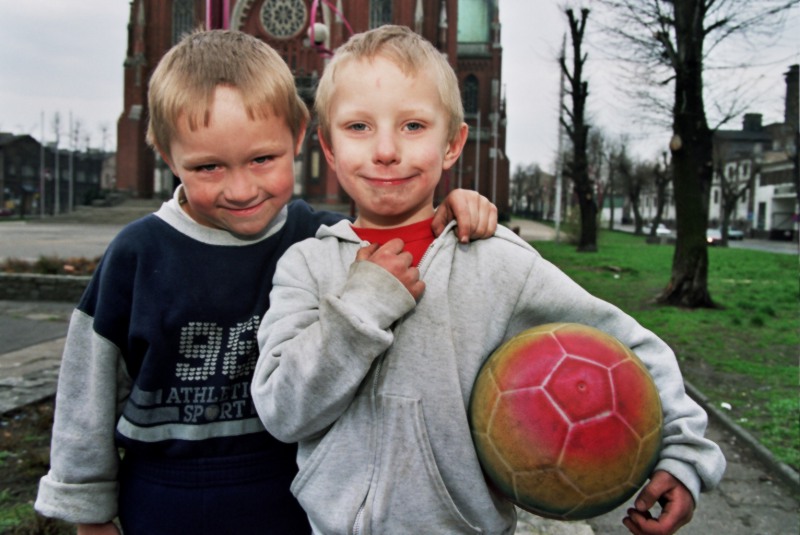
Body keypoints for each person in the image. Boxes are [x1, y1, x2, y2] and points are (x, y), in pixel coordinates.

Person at [251, 25, 726, 535]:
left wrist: (683, 452)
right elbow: (283, 412)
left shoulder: (494, 259)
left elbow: (627, 345)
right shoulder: (306, 266)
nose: (386, 150)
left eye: (413, 126)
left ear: (453, 144)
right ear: (327, 145)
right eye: (358, 127)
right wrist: (360, 309)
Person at [33, 29, 498, 535]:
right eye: (208, 166)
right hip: (164, 504)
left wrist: (454, 213)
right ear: (168, 156)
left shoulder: (321, 238)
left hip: (292, 501)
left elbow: (402, 248)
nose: (241, 189)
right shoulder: (138, 254)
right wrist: (90, 514)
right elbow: (87, 392)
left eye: (262, 159)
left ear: (299, 137)